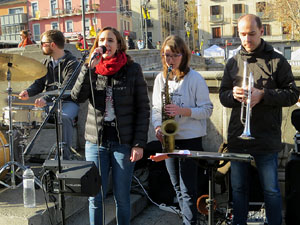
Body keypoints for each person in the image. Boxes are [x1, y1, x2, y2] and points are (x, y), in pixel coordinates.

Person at [219, 14, 299, 225]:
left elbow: (292, 94)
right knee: (238, 189)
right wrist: (233, 95)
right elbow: (223, 96)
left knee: (271, 190)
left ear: (261, 32)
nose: (246, 39)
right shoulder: (233, 62)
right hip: (238, 137)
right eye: (242, 34)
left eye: (251, 34)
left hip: (266, 138)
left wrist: (263, 95)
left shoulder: (277, 60)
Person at [71, 26, 150, 225]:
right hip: (96, 141)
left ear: (118, 44)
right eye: (102, 40)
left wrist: (139, 143)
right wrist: (87, 68)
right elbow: (77, 97)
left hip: (123, 141)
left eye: (110, 40)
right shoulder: (92, 69)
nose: (105, 44)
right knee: (95, 197)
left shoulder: (132, 69)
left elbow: (143, 108)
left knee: (122, 197)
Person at [152, 35, 213, 225]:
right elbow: (155, 108)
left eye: (174, 56)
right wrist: (157, 126)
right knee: (177, 187)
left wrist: (182, 111)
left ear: (183, 55)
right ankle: (189, 220)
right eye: (166, 55)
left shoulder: (195, 78)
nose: (170, 60)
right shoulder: (160, 79)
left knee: (187, 189)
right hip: (170, 140)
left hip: (190, 139)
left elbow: (207, 109)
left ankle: (190, 222)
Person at [19, 30, 80, 160]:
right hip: (49, 104)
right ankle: (29, 156)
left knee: (64, 117)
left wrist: (46, 99)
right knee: (25, 116)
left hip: (68, 102)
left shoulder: (72, 63)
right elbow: (39, 83)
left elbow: (66, 88)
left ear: (52, 45)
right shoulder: (46, 63)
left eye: (43, 44)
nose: (41, 46)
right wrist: (28, 92)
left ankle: (64, 157)